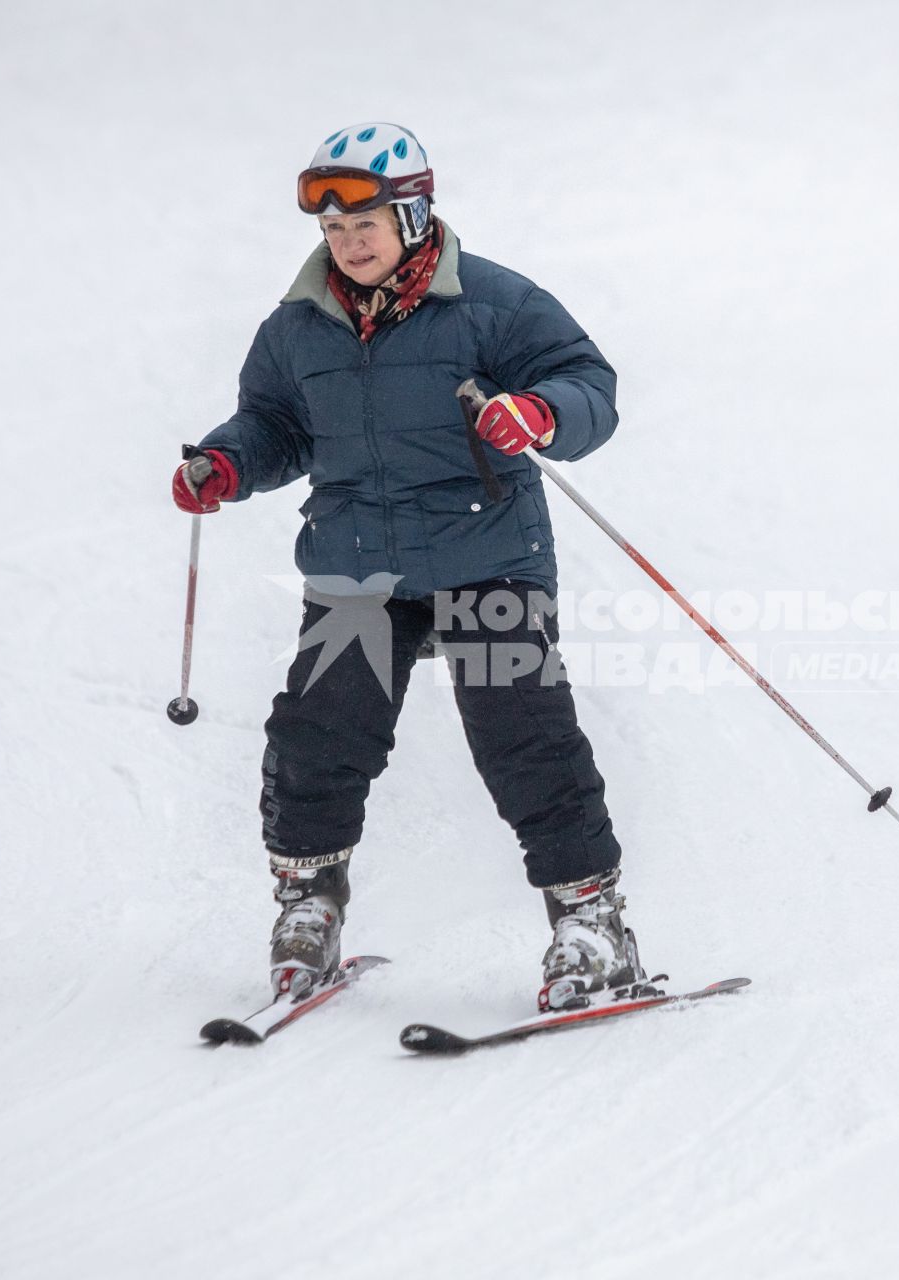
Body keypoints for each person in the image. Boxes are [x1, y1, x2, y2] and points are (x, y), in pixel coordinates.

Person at [173, 122, 638, 1012]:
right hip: (360, 563)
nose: (348, 246)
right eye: (333, 233)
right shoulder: (297, 327)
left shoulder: (495, 304)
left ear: (415, 215)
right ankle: (309, 906)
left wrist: (538, 414)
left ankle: (592, 921)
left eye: (366, 227)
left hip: (488, 555)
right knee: (319, 733)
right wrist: (226, 464)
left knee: (523, 733)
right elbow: (276, 425)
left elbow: (590, 385)